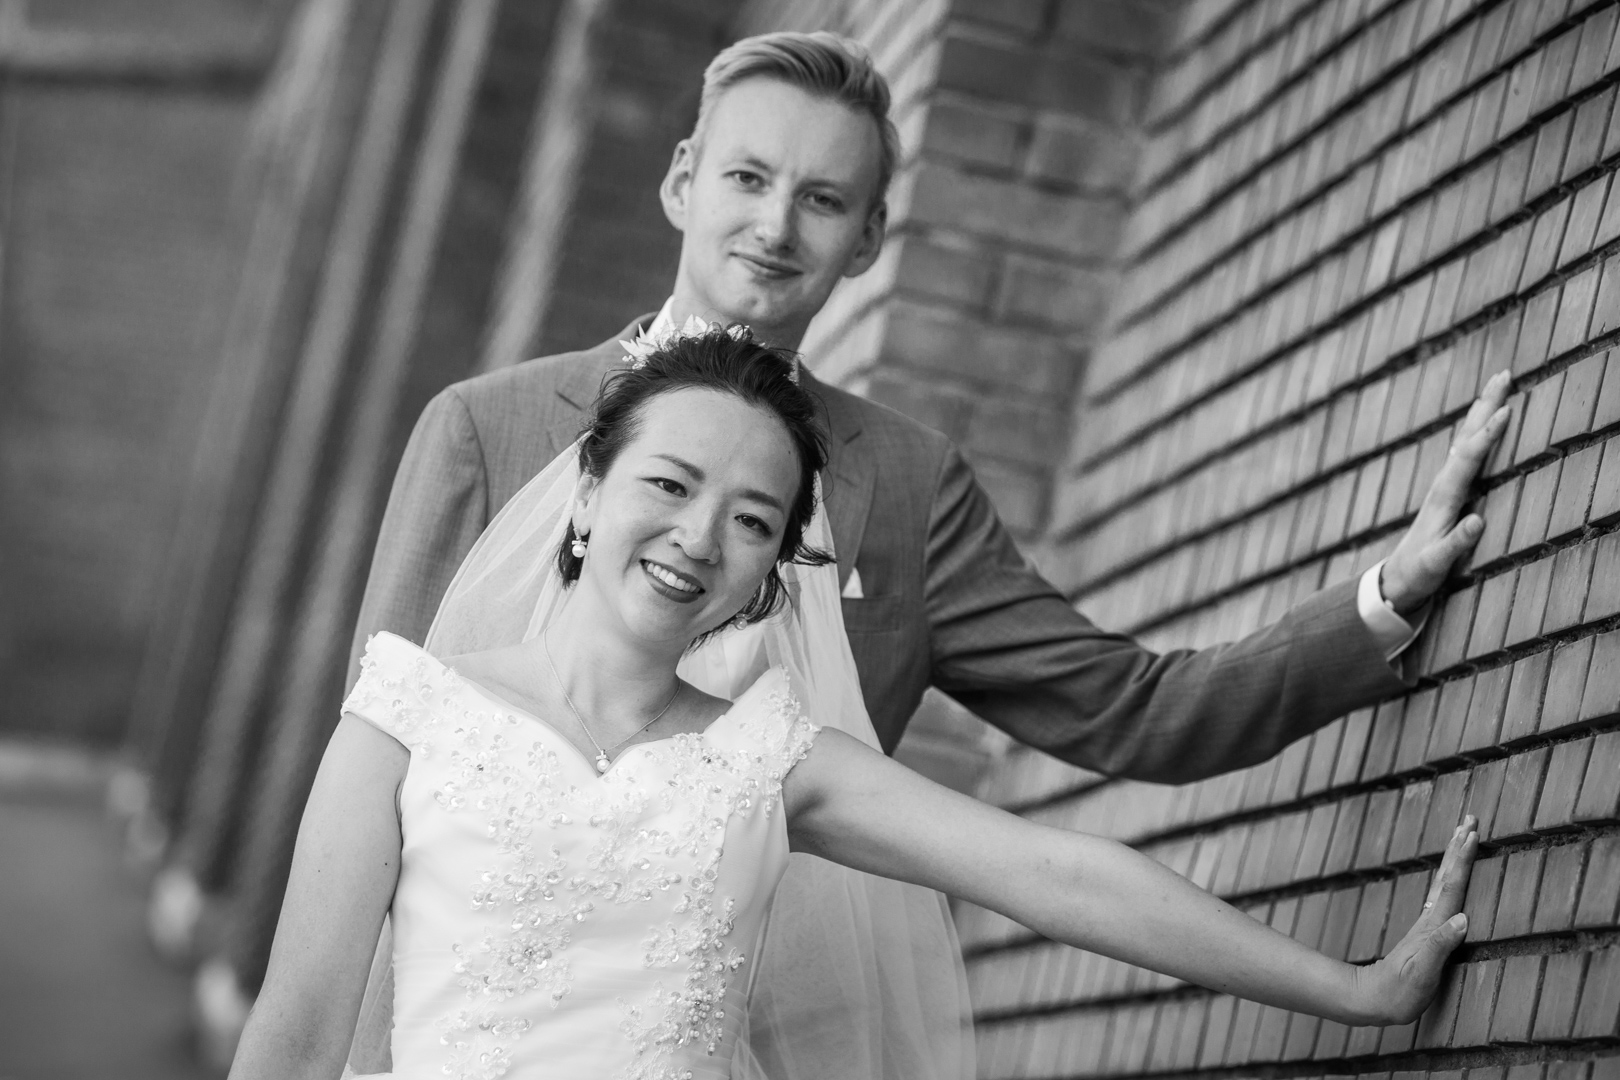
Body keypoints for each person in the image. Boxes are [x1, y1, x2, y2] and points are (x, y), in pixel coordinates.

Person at [346, 30, 1512, 1076]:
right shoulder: (486, 429)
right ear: (682, 180)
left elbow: (1129, 716)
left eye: (821, 199)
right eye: (748, 178)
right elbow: (369, 787)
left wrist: (1378, 602)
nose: (774, 226)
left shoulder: (904, 488)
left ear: (869, 238)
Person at [232, 329, 1479, 1080]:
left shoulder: (772, 760)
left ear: (772, 571)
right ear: (587, 493)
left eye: (751, 520)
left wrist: (1357, 988)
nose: (697, 538)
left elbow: (1059, 876)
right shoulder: (409, 716)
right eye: (668, 485)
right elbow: (292, 1043)